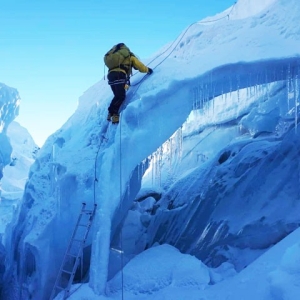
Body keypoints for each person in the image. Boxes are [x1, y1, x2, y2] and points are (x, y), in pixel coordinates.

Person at [106, 43, 153, 124]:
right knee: (121, 96)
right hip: (119, 75)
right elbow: (139, 66)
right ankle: (115, 116)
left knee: (117, 96)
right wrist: (147, 70)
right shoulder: (129, 56)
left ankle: (110, 113)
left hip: (110, 76)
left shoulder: (116, 56)